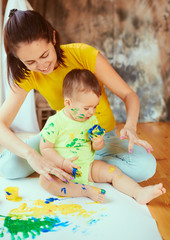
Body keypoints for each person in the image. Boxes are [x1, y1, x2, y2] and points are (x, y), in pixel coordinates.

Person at [0, 9, 156, 183]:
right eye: (30, 62)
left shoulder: (83, 54)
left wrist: (131, 126)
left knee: (145, 167)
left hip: (102, 139)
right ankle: (88, 168)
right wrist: (31, 155)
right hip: (61, 142)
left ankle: (82, 165)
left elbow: (129, 94)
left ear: (53, 38)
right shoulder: (28, 75)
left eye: (44, 55)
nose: (42, 65)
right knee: (7, 166)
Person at [39, 69, 166, 204]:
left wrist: (98, 142)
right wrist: (63, 163)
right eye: (87, 108)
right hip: (63, 171)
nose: (91, 112)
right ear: (68, 103)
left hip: (88, 167)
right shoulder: (55, 122)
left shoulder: (91, 120)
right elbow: (45, 148)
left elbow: (97, 148)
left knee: (113, 172)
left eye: (95, 107)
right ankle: (84, 190)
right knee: (45, 180)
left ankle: (138, 192)